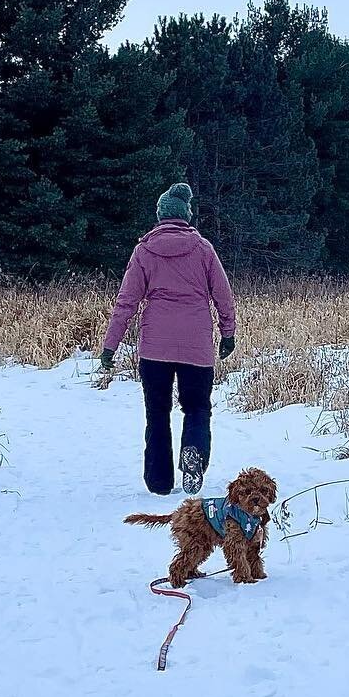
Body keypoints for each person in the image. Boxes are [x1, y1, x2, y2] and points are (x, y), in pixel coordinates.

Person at [99, 183, 236, 495]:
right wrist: (227, 334)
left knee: (157, 412)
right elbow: (224, 297)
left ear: (160, 216)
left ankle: (159, 482)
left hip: (155, 349)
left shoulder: (144, 251)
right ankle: (194, 453)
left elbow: (126, 303)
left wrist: (111, 344)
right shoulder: (203, 250)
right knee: (197, 407)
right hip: (196, 346)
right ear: (186, 215)